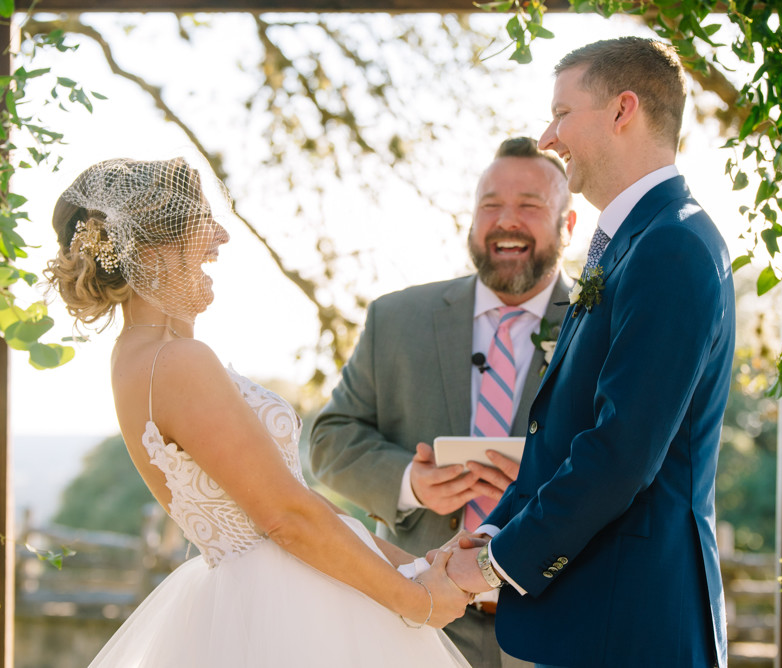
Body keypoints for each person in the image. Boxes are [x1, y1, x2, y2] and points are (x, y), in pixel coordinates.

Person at [44, 157, 471, 667]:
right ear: (152, 250)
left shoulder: (139, 357)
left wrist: (416, 566)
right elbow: (285, 517)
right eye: (199, 219)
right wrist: (417, 602)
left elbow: (292, 495)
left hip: (268, 597)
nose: (220, 235)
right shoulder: (177, 362)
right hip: (290, 616)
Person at [444, 37, 734, 668]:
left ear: (622, 110)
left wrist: (496, 565)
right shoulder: (630, 240)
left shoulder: (673, 245)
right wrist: (489, 531)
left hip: (627, 627)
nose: (549, 137)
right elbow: (563, 430)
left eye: (561, 113)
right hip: (585, 623)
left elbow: (620, 452)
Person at [310, 137, 575, 668]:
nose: (507, 221)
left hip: (557, 622)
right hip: (414, 619)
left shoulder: (601, 325)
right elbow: (329, 439)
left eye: (530, 205)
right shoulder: (396, 318)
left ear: (567, 225)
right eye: (490, 205)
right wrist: (410, 482)